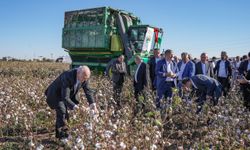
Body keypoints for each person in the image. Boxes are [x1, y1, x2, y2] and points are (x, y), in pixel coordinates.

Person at [45, 66, 98, 140]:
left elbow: (88, 91)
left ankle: (59, 133)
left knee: (63, 114)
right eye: (83, 78)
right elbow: (65, 97)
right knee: (62, 112)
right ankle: (63, 137)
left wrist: (93, 105)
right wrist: (76, 108)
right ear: (78, 73)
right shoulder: (67, 76)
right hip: (55, 95)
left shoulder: (84, 77)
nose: (84, 80)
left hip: (65, 95)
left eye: (86, 79)